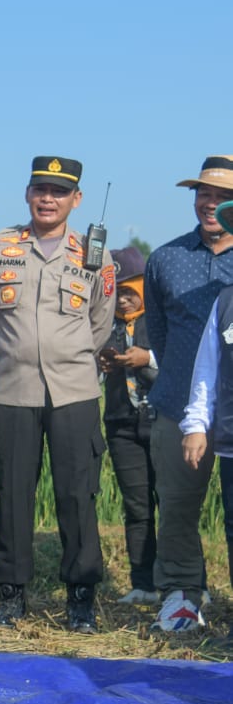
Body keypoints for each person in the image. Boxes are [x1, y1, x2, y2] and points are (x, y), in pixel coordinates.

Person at [0, 156, 115, 634]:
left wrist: (65, 355)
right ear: (28, 194)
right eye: (40, 190)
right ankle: (11, 594)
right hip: (15, 390)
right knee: (13, 494)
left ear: (76, 199)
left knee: (77, 494)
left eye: (59, 191)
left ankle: (80, 597)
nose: (48, 199)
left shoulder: (95, 254)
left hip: (75, 391)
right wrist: (18, 352)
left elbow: (101, 322)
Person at [145, 157, 233, 632]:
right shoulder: (165, 258)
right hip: (180, 404)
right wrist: (184, 378)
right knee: (177, 505)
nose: (211, 203)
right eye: (204, 194)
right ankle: (181, 594)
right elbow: (158, 333)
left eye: (222, 196)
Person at [97, 247, 160, 605]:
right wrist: (103, 361)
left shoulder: (161, 321)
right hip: (122, 424)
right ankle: (143, 583)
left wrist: (147, 358)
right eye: (116, 291)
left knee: (171, 504)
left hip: (162, 422)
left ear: (144, 285)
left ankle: (187, 583)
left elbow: (184, 364)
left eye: (130, 289)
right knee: (136, 506)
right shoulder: (106, 326)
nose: (123, 298)